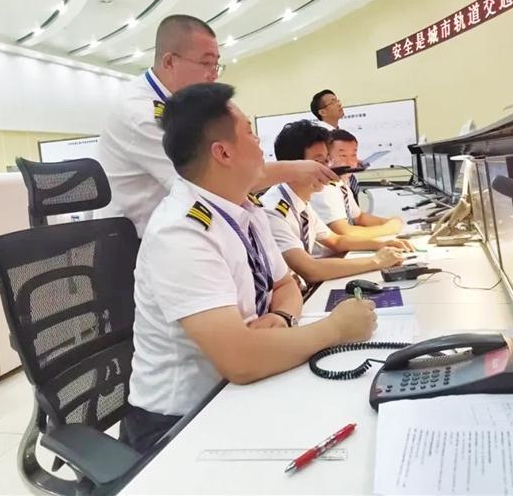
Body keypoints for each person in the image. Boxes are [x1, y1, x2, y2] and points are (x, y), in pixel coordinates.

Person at [125, 83, 376, 452]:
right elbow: (239, 360)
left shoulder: (244, 208)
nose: (259, 142)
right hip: (179, 422)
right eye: (248, 131)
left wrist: (282, 318)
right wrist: (336, 329)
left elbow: (285, 286)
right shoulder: (180, 232)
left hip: (243, 385)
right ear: (223, 152)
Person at [99, 15, 336, 236]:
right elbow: (214, 181)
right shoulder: (141, 114)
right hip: (138, 244)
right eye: (206, 63)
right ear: (170, 62)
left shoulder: (185, 106)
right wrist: (297, 169)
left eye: (216, 65)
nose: (213, 75)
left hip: (184, 230)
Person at [262, 121, 412, 283]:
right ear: (292, 166)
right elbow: (310, 270)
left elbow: (336, 240)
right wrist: (376, 261)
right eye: (318, 162)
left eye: (327, 161)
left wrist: (382, 244)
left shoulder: (301, 202)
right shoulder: (273, 210)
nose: (327, 169)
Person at [311, 129, 403, 239]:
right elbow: (344, 232)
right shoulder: (324, 189)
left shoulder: (341, 184)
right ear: (327, 158)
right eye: (343, 156)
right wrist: (388, 229)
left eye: (353, 155)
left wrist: (388, 222)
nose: (351, 162)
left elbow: (359, 217)